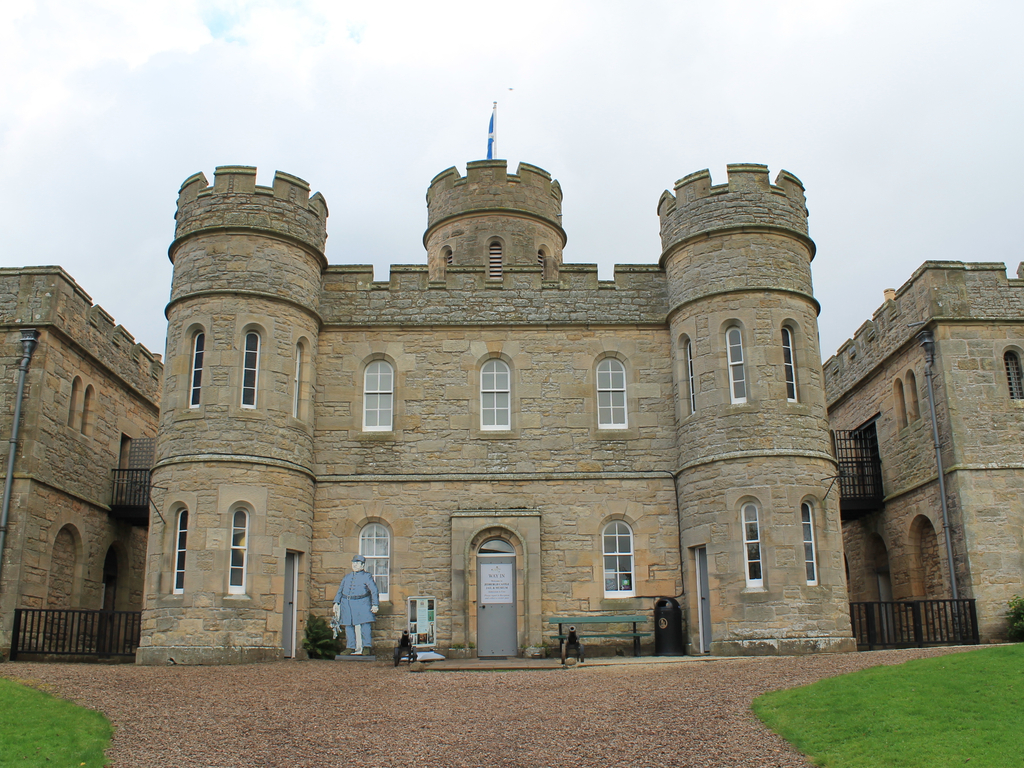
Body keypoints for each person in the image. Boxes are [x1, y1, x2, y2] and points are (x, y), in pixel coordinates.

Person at [332, 554, 380, 655]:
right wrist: (336, 602)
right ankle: (350, 647)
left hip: (362, 603)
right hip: (347, 604)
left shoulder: (367, 576)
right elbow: (340, 590)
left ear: (362, 565)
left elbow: (374, 590)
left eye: (357, 563)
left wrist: (375, 604)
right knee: (348, 625)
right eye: (354, 563)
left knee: (365, 624)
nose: (355, 565)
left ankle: (367, 646)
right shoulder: (347, 577)